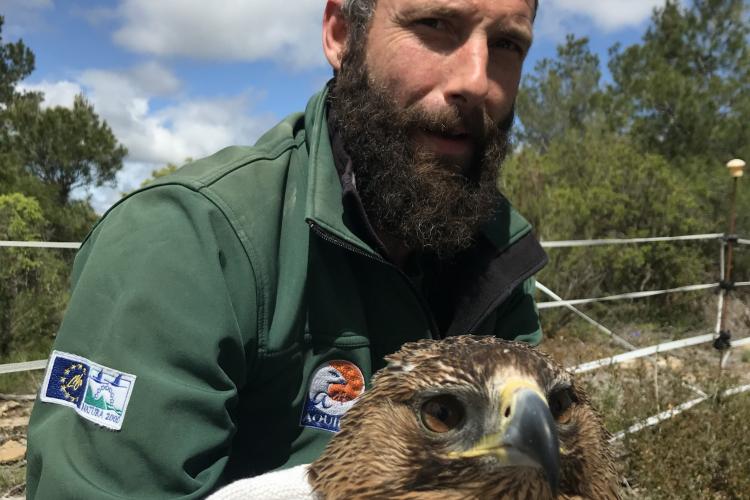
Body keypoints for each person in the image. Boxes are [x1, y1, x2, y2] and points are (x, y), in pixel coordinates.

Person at [26, 0, 545, 497]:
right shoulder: (188, 242)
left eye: (506, 43)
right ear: (342, 34)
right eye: (434, 24)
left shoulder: (498, 249)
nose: (477, 81)